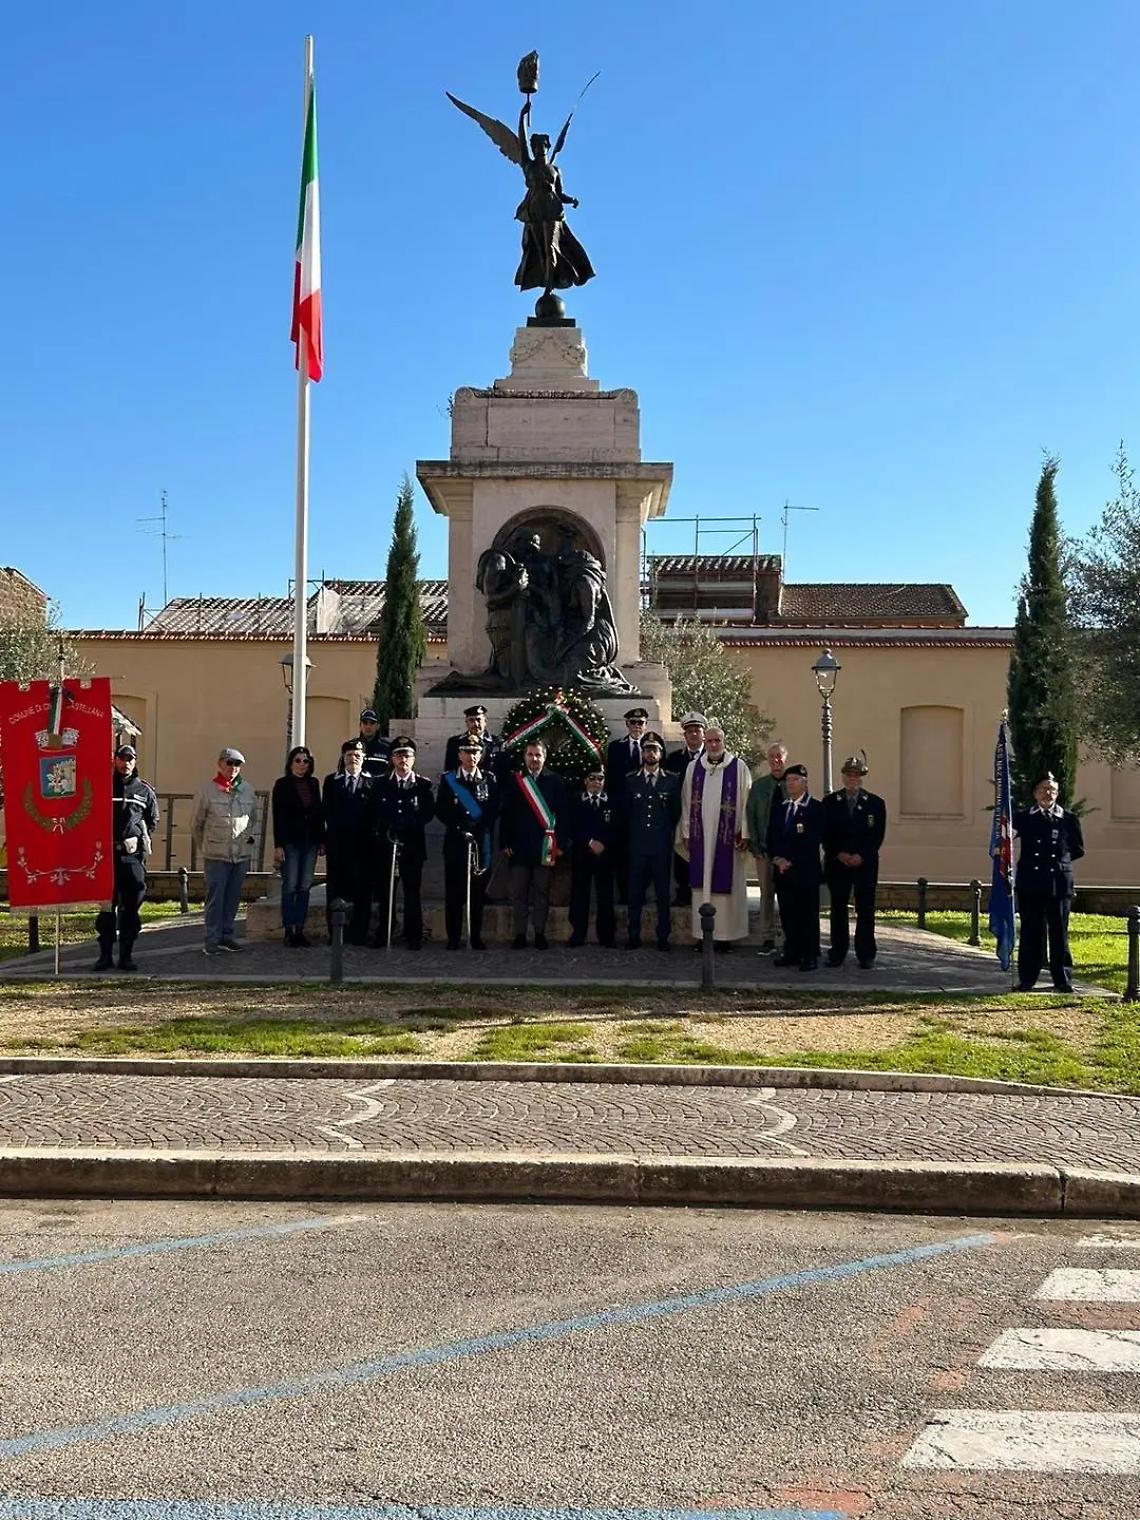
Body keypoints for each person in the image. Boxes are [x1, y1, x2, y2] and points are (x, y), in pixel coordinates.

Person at [679, 726, 752, 950]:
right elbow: (686, 800)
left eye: (717, 740)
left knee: (725, 887)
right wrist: (687, 831)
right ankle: (703, 936)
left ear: (724, 741)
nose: (713, 745)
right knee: (702, 888)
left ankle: (725, 937)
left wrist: (743, 831)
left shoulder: (738, 768)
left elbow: (745, 800)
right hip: (701, 838)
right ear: (704, 741)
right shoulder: (694, 768)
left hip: (727, 840)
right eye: (709, 741)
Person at [1014, 771, 1085, 993]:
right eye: (1044, 789)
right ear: (1035, 793)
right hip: (1031, 882)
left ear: (1057, 793)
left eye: (1052, 789)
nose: (1048, 793)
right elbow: (1006, 839)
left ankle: (1062, 979)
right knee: (1031, 932)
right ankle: (1027, 978)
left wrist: (1057, 863)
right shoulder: (1024, 817)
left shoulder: (1068, 819)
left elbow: (1078, 849)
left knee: (1059, 932)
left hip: (1059, 882)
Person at [93, 743, 159, 971]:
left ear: (135, 761)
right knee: (105, 908)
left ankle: (126, 956)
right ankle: (104, 955)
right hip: (105, 857)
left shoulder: (144, 790)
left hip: (131, 858)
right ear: (114, 760)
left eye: (130, 759)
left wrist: (139, 839)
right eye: (122, 758)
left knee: (130, 908)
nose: (126, 763)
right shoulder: (101, 786)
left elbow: (152, 820)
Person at [191, 746, 259, 957]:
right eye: (229, 763)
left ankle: (227, 935)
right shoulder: (207, 790)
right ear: (220, 764)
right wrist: (206, 847)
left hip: (240, 855)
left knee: (232, 898)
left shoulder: (247, 789)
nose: (233, 768)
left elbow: (252, 818)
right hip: (216, 854)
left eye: (237, 764)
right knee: (215, 898)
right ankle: (212, 939)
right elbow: (196, 824)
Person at [500, 739, 568, 949]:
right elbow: (506, 815)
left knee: (541, 893)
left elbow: (564, 815)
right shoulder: (516, 780)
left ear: (544, 757)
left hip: (544, 847)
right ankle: (520, 934)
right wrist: (505, 842)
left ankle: (539, 933)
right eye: (530, 754)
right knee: (518, 893)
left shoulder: (554, 781)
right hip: (519, 846)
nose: (534, 759)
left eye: (538, 755)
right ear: (524, 757)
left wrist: (561, 844)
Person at [822, 753, 887, 968]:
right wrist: (840, 854)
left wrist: (861, 855)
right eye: (848, 774)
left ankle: (866, 954)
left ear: (861, 777)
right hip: (838, 863)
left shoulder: (876, 804)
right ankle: (837, 952)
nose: (852, 778)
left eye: (856, 775)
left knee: (865, 909)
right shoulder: (831, 802)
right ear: (842, 777)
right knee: (838, 908)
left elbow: (876, 836)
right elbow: (826, 834)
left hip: (864, 865)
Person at [436, 735, 500, 950]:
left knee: (478, 893)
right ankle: (453, 937)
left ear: (480, 755)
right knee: (454, 892)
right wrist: (460, 827)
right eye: (467, 751)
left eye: (475, 751)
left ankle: (475, 936)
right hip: (456, 841)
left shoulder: (489, 779)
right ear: (459, 755)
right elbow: (442, 809)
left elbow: (493, 808)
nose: (471, 756)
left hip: (480, 842)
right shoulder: (449, 779)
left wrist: (477, 825)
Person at [371, 740, 435, 950]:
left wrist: (408, 824)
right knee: (386, 891)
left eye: (407, 756)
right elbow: (374, 811)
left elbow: (427, 813)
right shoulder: (381, 783)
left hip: (412, 846)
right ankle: (385, 931)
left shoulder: (422, 785)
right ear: (392, 759)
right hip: (387, 845)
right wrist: (389, 825)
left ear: (413, 759)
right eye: (399, 756)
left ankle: (413, 934)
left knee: (412, 891)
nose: (403, 760)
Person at [624, 733, 682, 950]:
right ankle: (633, 935)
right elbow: (626, 812)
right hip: (637, 845)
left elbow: (675, 812)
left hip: (661, 845)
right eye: (647, 749)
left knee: (662, 893)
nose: (651, 753)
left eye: (655, 749)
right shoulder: (631, 779)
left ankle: (663, 936)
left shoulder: (672, 780)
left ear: (661, 753)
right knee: (635, 892)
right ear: (642, 753)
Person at [765, 762, 824, 971]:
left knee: (807, 915)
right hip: (783, 872)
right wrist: (777, 859)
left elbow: (813, 839)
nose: (790, 784)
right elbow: (771, 837)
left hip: (805, 871)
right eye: (788, 780)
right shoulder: (780, 808)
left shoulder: (815, 808)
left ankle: (810, 955)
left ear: (805, 783)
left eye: (795, 780)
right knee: (788, 914)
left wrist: (792, 861)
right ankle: (792, 951)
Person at [322, 739, 376, 946]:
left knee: (362, 891)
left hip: (363, 846)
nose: (353, 758)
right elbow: (326, 811)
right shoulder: (332, 781)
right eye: (349, 755)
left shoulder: (372, 782)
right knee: (336, 890)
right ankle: (335, 933)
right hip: (338, 845)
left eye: (357, 755)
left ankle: (359, 933)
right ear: (343, 758)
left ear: (363, 759)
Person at [271, 746, 324, 948]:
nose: (302, 764)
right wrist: (278, 845)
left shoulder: (313, 783)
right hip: (290, 842)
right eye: (298, 760)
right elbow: (278, 816)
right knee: (290, 885)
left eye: (306, 761)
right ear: (291, 763)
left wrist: (321, 840)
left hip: (310, 841)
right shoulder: (283, 784)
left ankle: (300, 928)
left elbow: (319, 813)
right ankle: (289, 929)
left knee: (304, 886)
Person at [568, 763, 617, 949]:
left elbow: (617, 827)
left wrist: (604, 844)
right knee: (579, 895)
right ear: (585, 780)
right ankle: (578, 934)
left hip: (605, 855)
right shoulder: (575, 801)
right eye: (592, 778)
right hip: (582, 854)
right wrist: (589, 842)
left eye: (600, 778)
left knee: (605, 897)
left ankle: (606, 936)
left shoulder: (611, 802)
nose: (596, 782)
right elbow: (572, 826)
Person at [747, 742, 789, 953]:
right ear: (768, 760)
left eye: (779, 756)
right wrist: (755, 847)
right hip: (764, 849)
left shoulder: (792, 784)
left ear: (785, 759)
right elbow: (751, 816)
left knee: (788, 893)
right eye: (772, 756)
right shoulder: (760, 786)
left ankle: (790, 934)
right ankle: (767, 936)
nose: (776, 760)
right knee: (766, 894)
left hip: (787, 852)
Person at [606, 707, 649, 902]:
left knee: (644, 854)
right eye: (633, 722)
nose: (637, 727)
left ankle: (641, 892)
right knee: (623, 855)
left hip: (645, 810)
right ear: (627, 724)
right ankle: (624, 893)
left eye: (640, 723)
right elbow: (613, 781)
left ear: (646, 725)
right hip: (623, 810)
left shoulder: (654, 747)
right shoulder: (616, 747)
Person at [664, 713, 706, 906]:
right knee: (682, 853)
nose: (694, 735)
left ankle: (703, 893)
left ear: (703, 734)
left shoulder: (712, 758)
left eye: (697, 731)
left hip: (706, 815)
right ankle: (683, 893)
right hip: (682, 814)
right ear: (684, 735)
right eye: (690, 731)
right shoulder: (673, 760)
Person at [444, 705, 503, 774]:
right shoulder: (455, 742)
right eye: (471, 720)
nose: (475, 724)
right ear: (466, 722)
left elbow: (502, 770)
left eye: (478, 720)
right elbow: (449, 770)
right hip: (462, 783)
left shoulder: (497, 742)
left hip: (490, 783)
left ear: (485, 721)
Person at [338, 708, 390, 781]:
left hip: (379, 790)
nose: (368, 726)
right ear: (360, 725)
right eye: (365, 723)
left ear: (378, 726)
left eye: (372, 723)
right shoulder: (350, 747)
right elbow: (341, 772)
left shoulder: (386, 748)